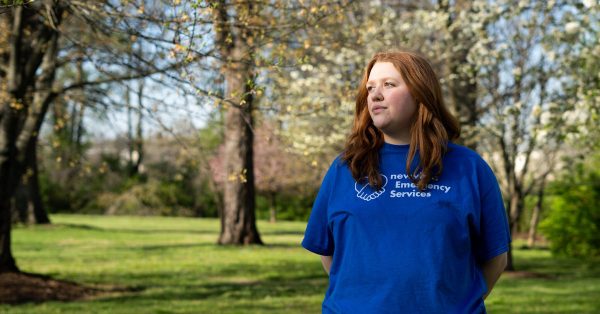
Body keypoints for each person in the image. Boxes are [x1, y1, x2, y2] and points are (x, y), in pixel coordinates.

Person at [301, 50, 511, 314]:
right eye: (370, 87)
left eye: (389, 84)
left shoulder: (469, 167)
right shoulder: (345, 167)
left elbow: (495, 258)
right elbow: (329, 254)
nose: (375, 95)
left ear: (420, 92)